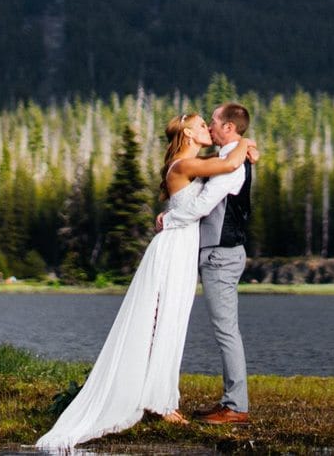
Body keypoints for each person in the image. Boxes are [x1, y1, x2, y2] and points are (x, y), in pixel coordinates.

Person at [35, 112, 258, 450]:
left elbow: (226, 165)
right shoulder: (183, 165)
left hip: (184, 247)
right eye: (201, 125)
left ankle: (162, 398)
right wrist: (244, 141)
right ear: (186, 131)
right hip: (173, 247)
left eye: (209, 123)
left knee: (172, 320)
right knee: (161, 320)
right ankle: (160, 401)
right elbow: (226, 168)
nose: (206, 129)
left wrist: (243, 144)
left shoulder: (193, 161)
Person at [193, 101, 254, 424]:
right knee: (225, 330)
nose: (211, 127)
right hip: (218, 252)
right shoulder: (230, 157)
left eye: (214, 121)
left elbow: (204, 205)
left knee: (226, 331)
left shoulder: (234, 164)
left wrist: (170, 219)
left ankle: (236, 406)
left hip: (221, 254)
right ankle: (232, 402)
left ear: (229, 127)